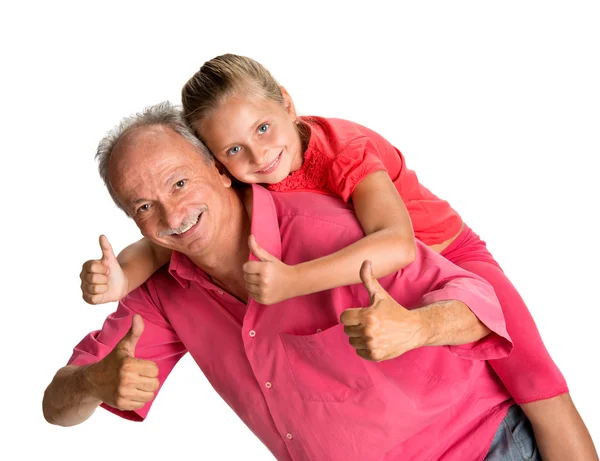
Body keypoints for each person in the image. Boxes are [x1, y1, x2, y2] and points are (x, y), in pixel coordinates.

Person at [80, 54, 598, 460]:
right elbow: (165, 233)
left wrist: (291, 282)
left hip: (445, 251)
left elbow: (396, 243)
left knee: (539, 389)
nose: (259, 157)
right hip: (387, 266)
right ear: (219, 164)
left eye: (263, 129)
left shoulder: (341, 153)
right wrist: (118, 278)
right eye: (234, 151)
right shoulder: (234, 200)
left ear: (286, 102)